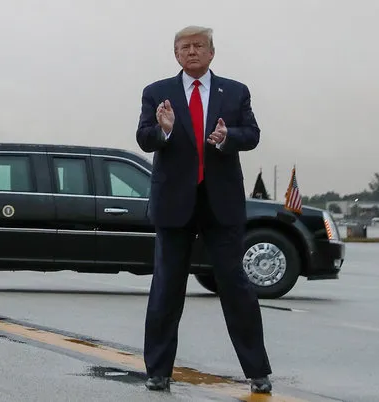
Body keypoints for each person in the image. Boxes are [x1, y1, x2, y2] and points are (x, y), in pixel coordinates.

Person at [135, 26, 272, 394]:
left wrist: (230, 138)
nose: (191, 52)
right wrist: (162, 131)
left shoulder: (236, 91)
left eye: (198, 46)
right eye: (184, 47)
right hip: (173, 204)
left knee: (236, 286)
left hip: (220, 203)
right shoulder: (157, 92)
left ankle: (257, 371)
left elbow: (253, 133)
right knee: (166, 287)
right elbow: (144, 137)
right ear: (175, 54)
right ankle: (158, 371)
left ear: (212, 52)